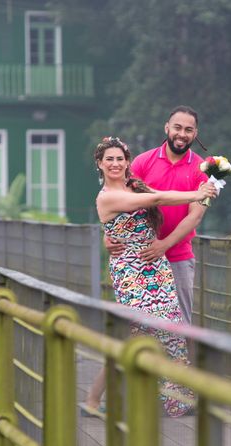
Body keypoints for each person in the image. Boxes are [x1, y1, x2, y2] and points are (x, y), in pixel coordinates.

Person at [84, 136, 216, 418]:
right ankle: (96, 399)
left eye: (120, 159)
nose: (115, 164)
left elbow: (160, 201)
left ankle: (175, 398)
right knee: (135, 333)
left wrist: (204, 193)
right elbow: (157, 198)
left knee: (169, 330)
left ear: (128, 161)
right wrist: (197, 193)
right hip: (130, 273)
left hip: (157, 267)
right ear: (100, 164)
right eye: (109, 159)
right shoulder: (107, 196)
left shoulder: (133, 185)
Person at [105, 106, 210, 326]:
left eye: (188, 130)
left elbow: (195, 216)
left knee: (179, 325)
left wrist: (163, 245)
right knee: (138, 323)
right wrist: (110, 235)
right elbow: (121, 203)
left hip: (178, 257)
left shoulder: (203, 169)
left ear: (195, 134)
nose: (182, 134)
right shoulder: (143, 162)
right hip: (140, 255)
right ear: (167, 128)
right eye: (177, 128)